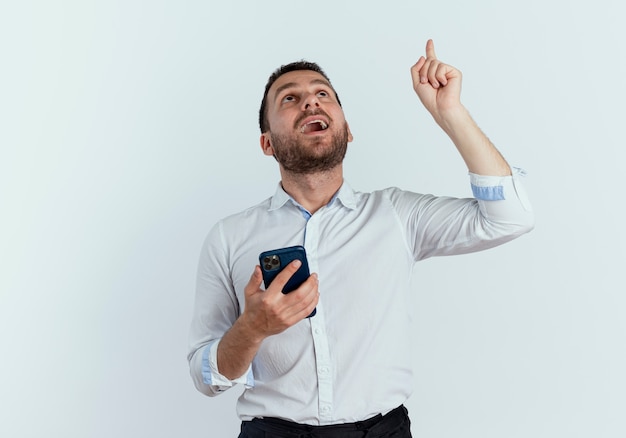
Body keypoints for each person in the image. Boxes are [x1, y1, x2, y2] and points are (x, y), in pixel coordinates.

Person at [188, 39, 534, 437]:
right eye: (290, 98)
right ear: (267, 143)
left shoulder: (397, 215)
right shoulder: (228, 238)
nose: (311, 103)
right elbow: (205, 377)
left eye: (323, 94)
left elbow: (511, 218)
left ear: (348, 130)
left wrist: (451, 114)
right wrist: (252, 329)